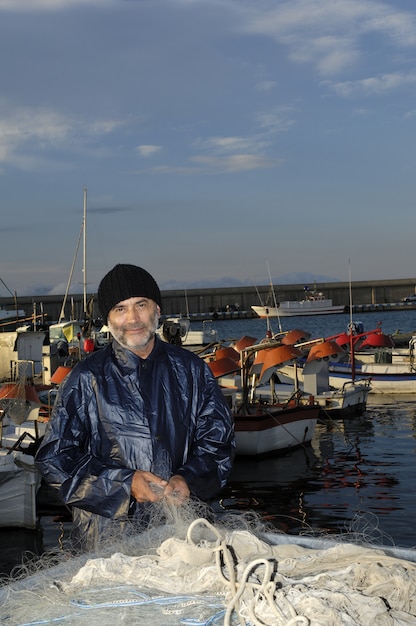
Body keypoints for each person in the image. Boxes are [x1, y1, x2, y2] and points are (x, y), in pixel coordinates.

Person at [35, 264, 235, 548]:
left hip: (184, 535)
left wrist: (189, 479)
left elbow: (219, 444)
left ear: (158, 310)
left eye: (141, 304)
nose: (133, 318)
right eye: (120, 309)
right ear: (108, 319)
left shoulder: (193, 371)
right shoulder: (85, 378)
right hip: (107, 539)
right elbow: (55, 460)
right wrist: (123, 484)